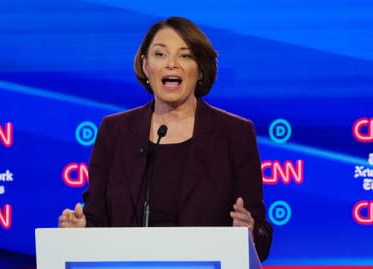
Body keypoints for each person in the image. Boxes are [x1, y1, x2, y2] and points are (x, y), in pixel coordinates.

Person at [58, 16, 273, 261]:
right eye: (160, 54)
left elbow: (261, 237)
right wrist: (80, 230)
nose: (172, 64)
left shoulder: (234, 134)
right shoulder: (114, 131)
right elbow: (97, 220)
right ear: (145, 66)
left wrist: (248, 232)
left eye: (185, 55)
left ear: (200, 69)